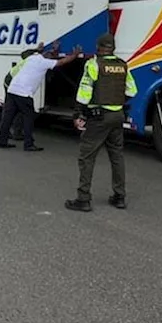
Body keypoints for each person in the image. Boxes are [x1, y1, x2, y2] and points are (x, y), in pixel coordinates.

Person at [66, 33, 137, 212]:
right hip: (118, 116)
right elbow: (132, 91)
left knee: (87, 157)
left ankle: (83, 199)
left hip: (98, 118)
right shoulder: (122, 66)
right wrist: (116, 102)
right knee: (117, 156)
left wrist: (78, 114)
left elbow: (84, 93)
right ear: (113, 48)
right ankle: (119, 197)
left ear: (98, 47)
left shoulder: (93, 64)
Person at [0, 42, 82, 152]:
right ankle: (28, 144)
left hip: (12, 89)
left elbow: (44, 54)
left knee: (8, 117)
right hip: (24, 93)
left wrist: (50, 50)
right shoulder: (44, 62)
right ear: (46, 56)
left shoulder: (32, 58)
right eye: (51, 55)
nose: (52, 55)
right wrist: (74, 55)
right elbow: (61, 62)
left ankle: (2, 141)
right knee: (29, 118)